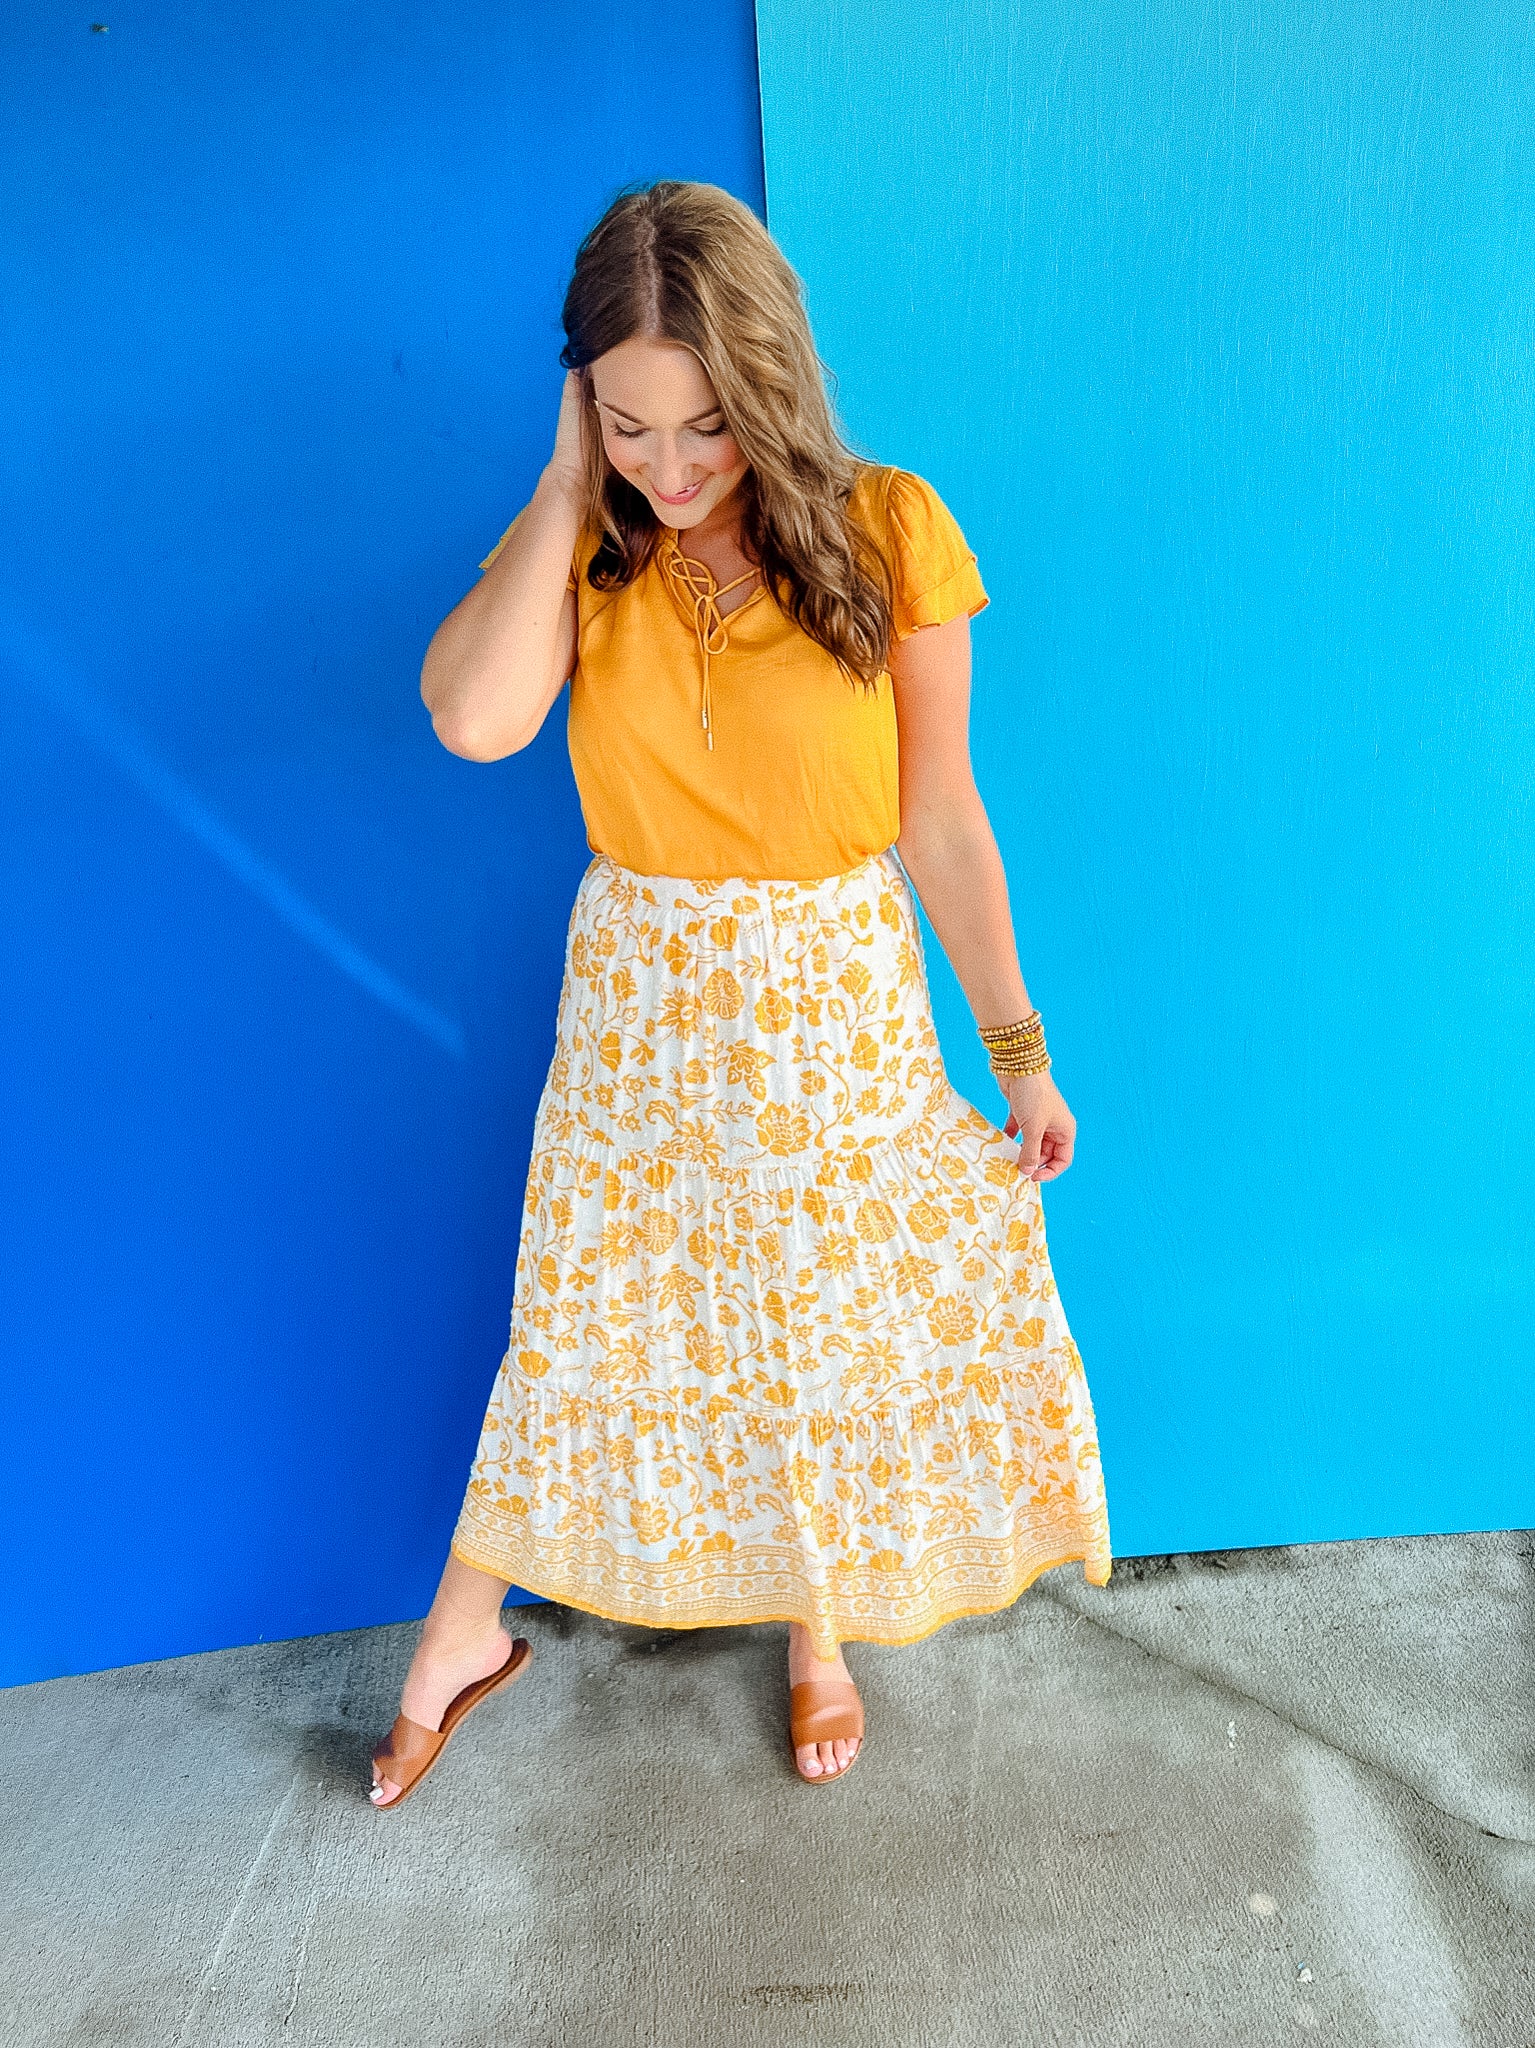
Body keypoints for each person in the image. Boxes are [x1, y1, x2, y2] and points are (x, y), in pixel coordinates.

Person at [370, 180, 1111, 1808]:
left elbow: (941, 817)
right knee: (586, 1315)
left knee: (817, 1319)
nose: (672, 465)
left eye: (704, 424)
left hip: (829, 998)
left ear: (768, 382)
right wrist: (566, 486)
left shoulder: (888, 529)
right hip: (639, 996)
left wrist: (1019, 1051)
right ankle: (459, 1639)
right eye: (628, 423)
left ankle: (816, 1627)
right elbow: (475, 722)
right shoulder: (592, 541)